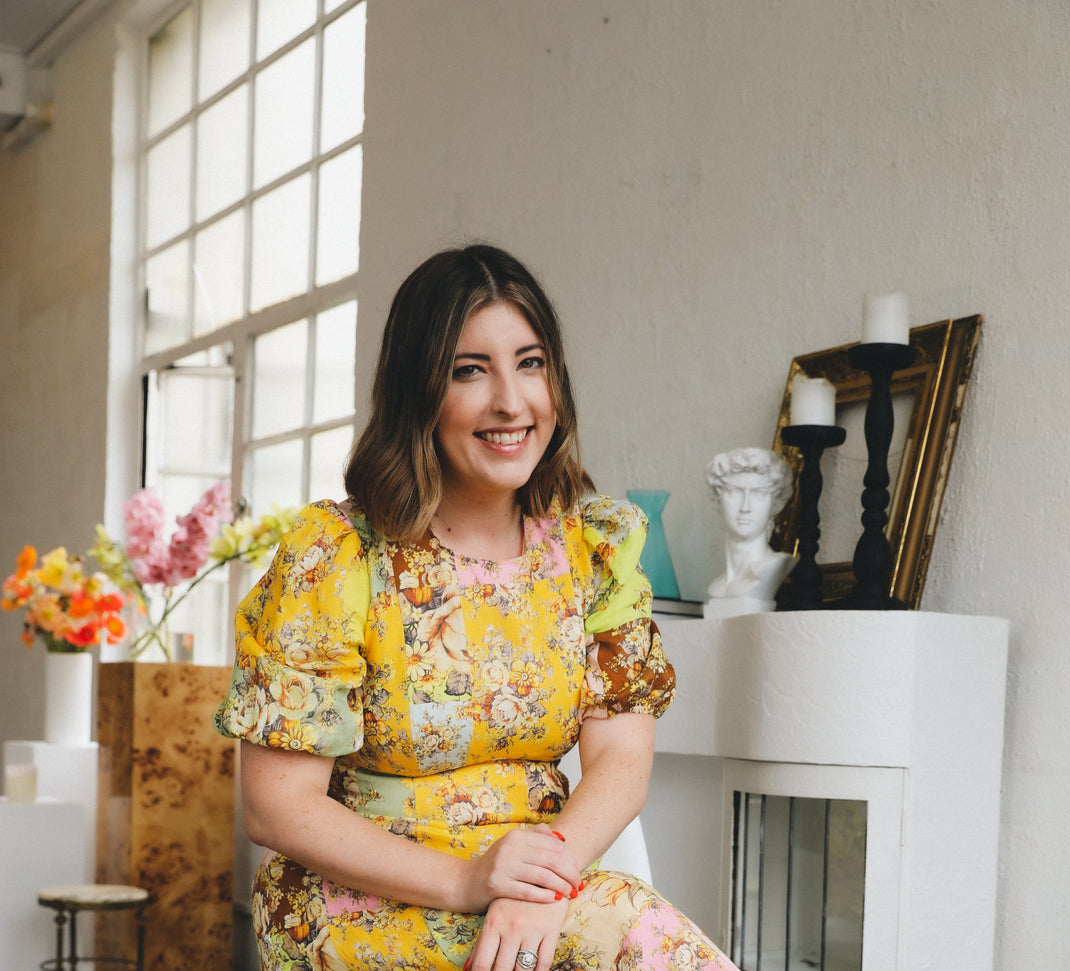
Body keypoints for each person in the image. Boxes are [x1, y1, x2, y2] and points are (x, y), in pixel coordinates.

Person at [214, 243, 740, 971]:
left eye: (530, 363)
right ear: (418, 390)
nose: (511, 401)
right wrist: (467, 878)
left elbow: (621, 756)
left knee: (643, 934)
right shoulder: (337, 556)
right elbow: (276, 807)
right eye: (471, 370)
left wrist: (540, 879)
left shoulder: (593, 552)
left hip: (534, 881)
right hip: (361, 898)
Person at [702, 447, 794, 619]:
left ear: (775, 503)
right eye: (734, 492)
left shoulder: (774, 567)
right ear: (718, 500)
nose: (745, 507)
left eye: (758, 494)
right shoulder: (718, 586)